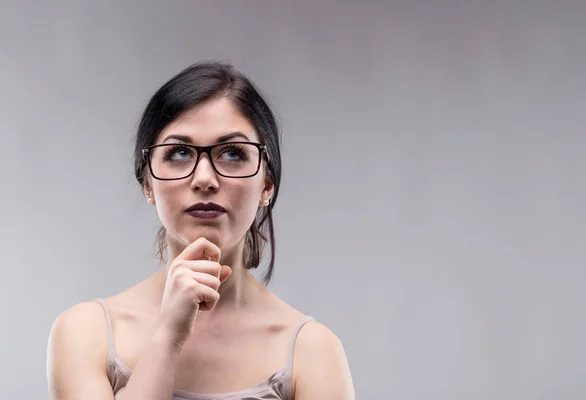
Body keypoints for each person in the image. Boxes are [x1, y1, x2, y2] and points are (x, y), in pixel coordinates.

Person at [46, 61, 355, 400]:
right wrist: (167, 337)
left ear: (267, 183)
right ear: (147, 182)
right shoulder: (85, 333)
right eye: (179, 152)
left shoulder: (313, 352)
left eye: (233, 153)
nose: (205, 179)